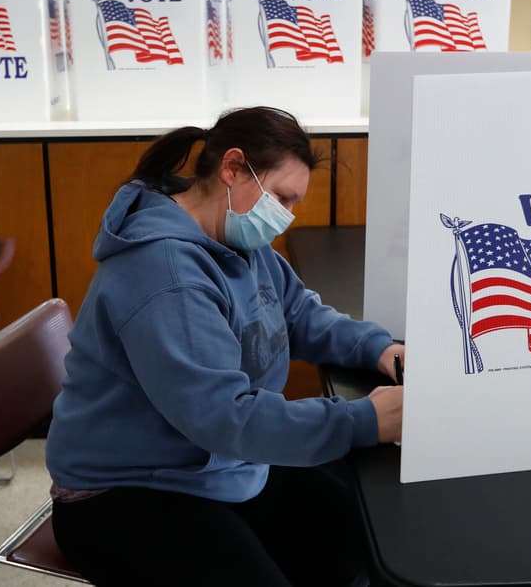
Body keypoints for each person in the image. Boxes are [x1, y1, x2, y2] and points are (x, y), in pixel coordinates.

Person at [46, 106, 404, 587]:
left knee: (364, 543)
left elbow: (298, 313)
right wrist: (364, 420)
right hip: (125, 491)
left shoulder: (237, 242)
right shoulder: (165, 273)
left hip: (213, 464)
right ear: (232, 168)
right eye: (282, 197)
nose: (285, 217)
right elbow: (223, 416)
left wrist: (378, 348)